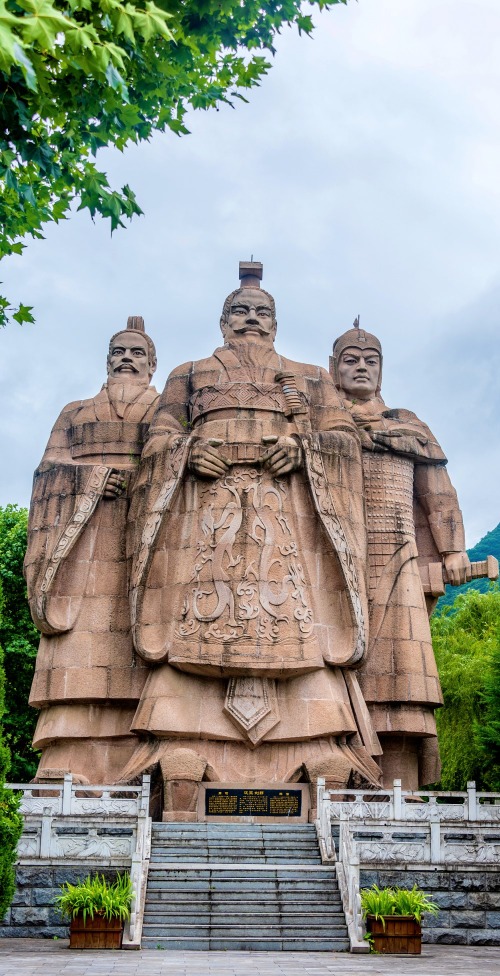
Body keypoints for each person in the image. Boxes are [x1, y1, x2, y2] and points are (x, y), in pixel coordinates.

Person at [124, 265, 381, 819]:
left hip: (284, 520)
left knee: (295, 622)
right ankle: (183, 748)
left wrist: (304, 449)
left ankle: (315, 747)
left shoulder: (309, 377)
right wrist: (186, 452)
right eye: (240, 311)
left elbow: (344, 439)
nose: (251, 319)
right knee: (199, 614)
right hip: (207, 520)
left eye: (262, 312)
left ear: (275, 323)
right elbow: (158, 438)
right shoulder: (189, 374)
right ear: (222, 321)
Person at [330, 323, 471, 788]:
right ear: (333, 368)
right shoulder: (320, 425)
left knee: (400, 678)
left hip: (397, 554)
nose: (361, 367)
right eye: (351, 360)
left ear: (382, 370)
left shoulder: (407, 426)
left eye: (370, 361)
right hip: (332, 559)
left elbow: (438, 494)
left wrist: (453, 550)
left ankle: (398, 788)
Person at [25, 317, 159, 784]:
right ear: (107, 360)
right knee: (76, 641)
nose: (127, 359)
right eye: (119, 351)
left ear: (152, 364)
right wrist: (93, 480)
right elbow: (47, 471)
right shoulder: (75, 412)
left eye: (137, 353)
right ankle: (67, 754)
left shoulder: (164, 409)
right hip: (80, 541)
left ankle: (138, 754)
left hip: (144, 537)